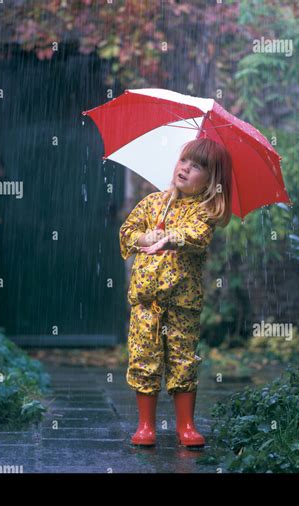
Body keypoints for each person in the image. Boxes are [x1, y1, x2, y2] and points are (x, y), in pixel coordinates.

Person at [119, 138, 233, 447]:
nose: (186, 168)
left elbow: (195, 236)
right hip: (146, 300)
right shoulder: (153, 203)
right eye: (184, 161)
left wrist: (170, 239)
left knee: (183, 360)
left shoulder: (205, 211)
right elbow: (127, 232)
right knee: (144, 357)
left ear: (211, 180)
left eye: (197, 167)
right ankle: (146, 425)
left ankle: (186, 425)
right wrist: (145, 238)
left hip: (182, 303)